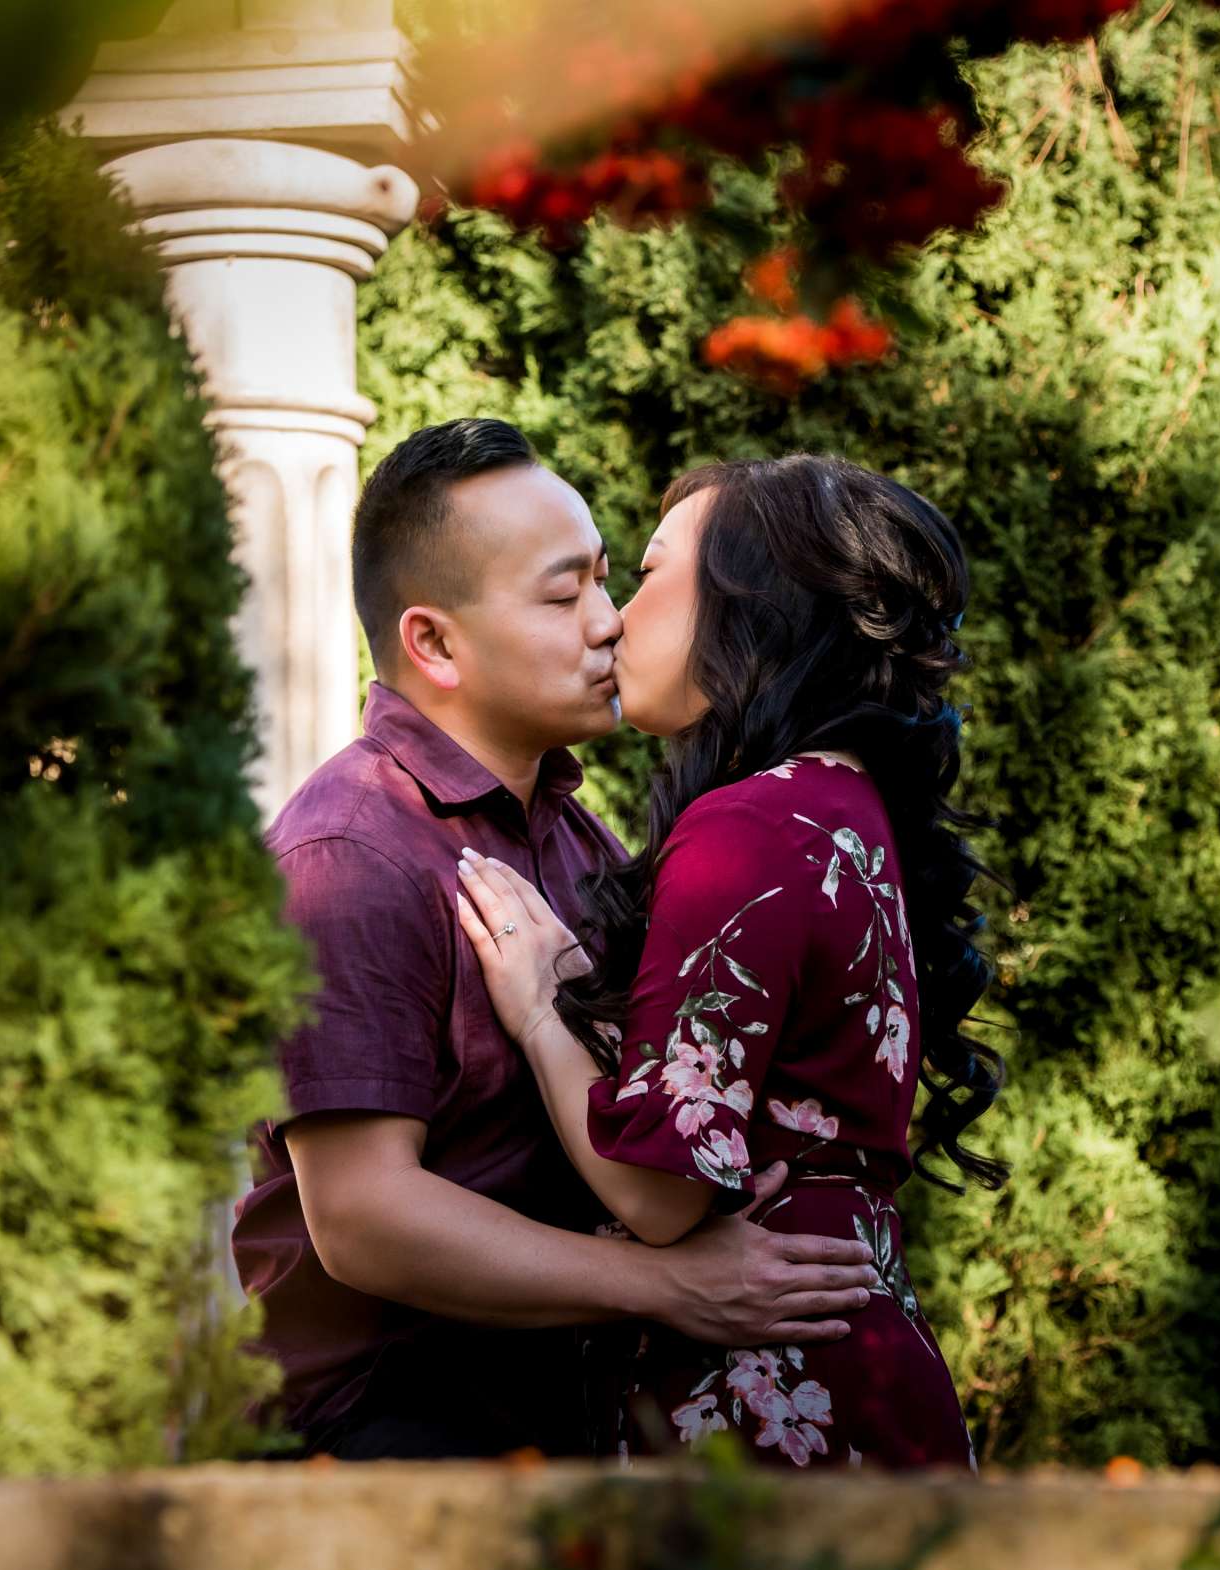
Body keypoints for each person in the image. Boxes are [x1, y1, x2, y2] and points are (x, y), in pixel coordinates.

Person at [232, 421, 885, 1461]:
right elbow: (360, 1214)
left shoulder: (581, 838)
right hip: (385, 1441)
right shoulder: (352, 850)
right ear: (434, 642)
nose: (609, 623)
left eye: (605, 581)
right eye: (562, 593)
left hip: (560, 1417)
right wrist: (673, 1282)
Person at [451, 454, 1005, 1469]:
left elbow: (660, 1196)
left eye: (651, 573)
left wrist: (537, 1013)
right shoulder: (845, 810)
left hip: (777, 1418)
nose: (614, 619)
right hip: (862, 1381)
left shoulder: (747, 826)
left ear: (752, 605)